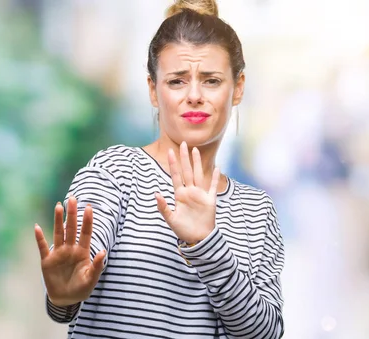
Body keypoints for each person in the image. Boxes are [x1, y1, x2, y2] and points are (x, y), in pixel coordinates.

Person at [33, 1, 285, 337]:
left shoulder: (256, 211)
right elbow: (79, 262)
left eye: (211, 81)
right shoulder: (115, 173)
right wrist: (63, 294)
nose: (194, 95)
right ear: (153, 89)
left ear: (237, 88)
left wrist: (207, 245)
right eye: (177, 81)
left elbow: (263, 333)